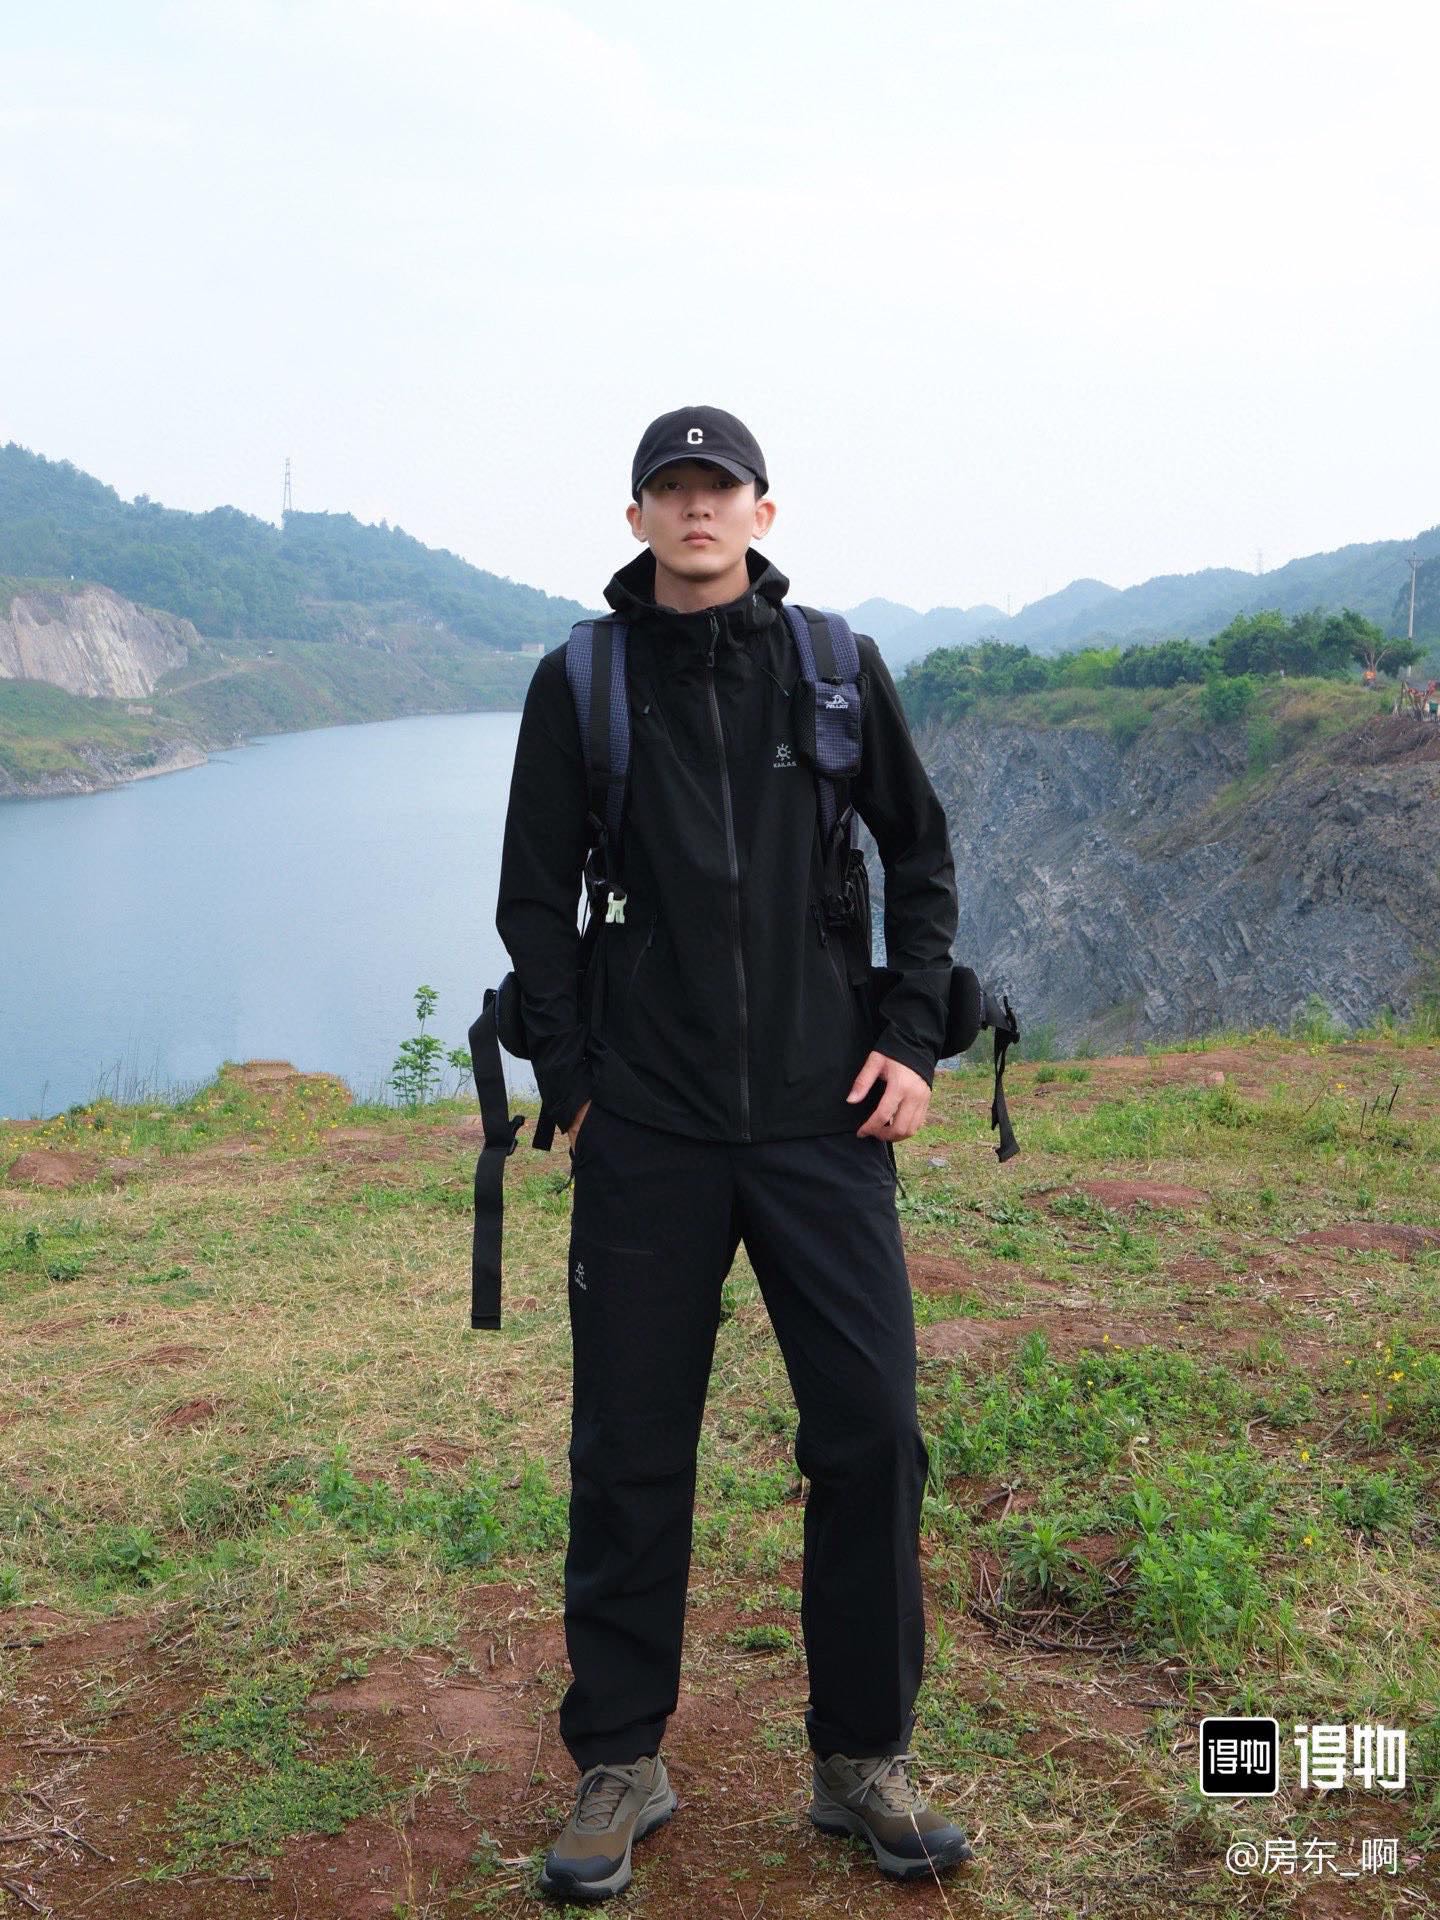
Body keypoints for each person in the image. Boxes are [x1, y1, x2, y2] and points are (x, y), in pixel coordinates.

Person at [494, 405, 971, 1901]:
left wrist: (912, 1039)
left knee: (871, 1434)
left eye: (721, 487)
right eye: (672, 488)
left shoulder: (835, 665)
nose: (696, 508)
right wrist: (575, 1084)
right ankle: (620, 1760)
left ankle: (863, 1758)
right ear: (637, 516)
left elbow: (920, 856)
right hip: (650, 1125)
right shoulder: (582, 681)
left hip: (826, 1119)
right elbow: (532, 900)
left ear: (764, 512)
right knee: (629, 1449)